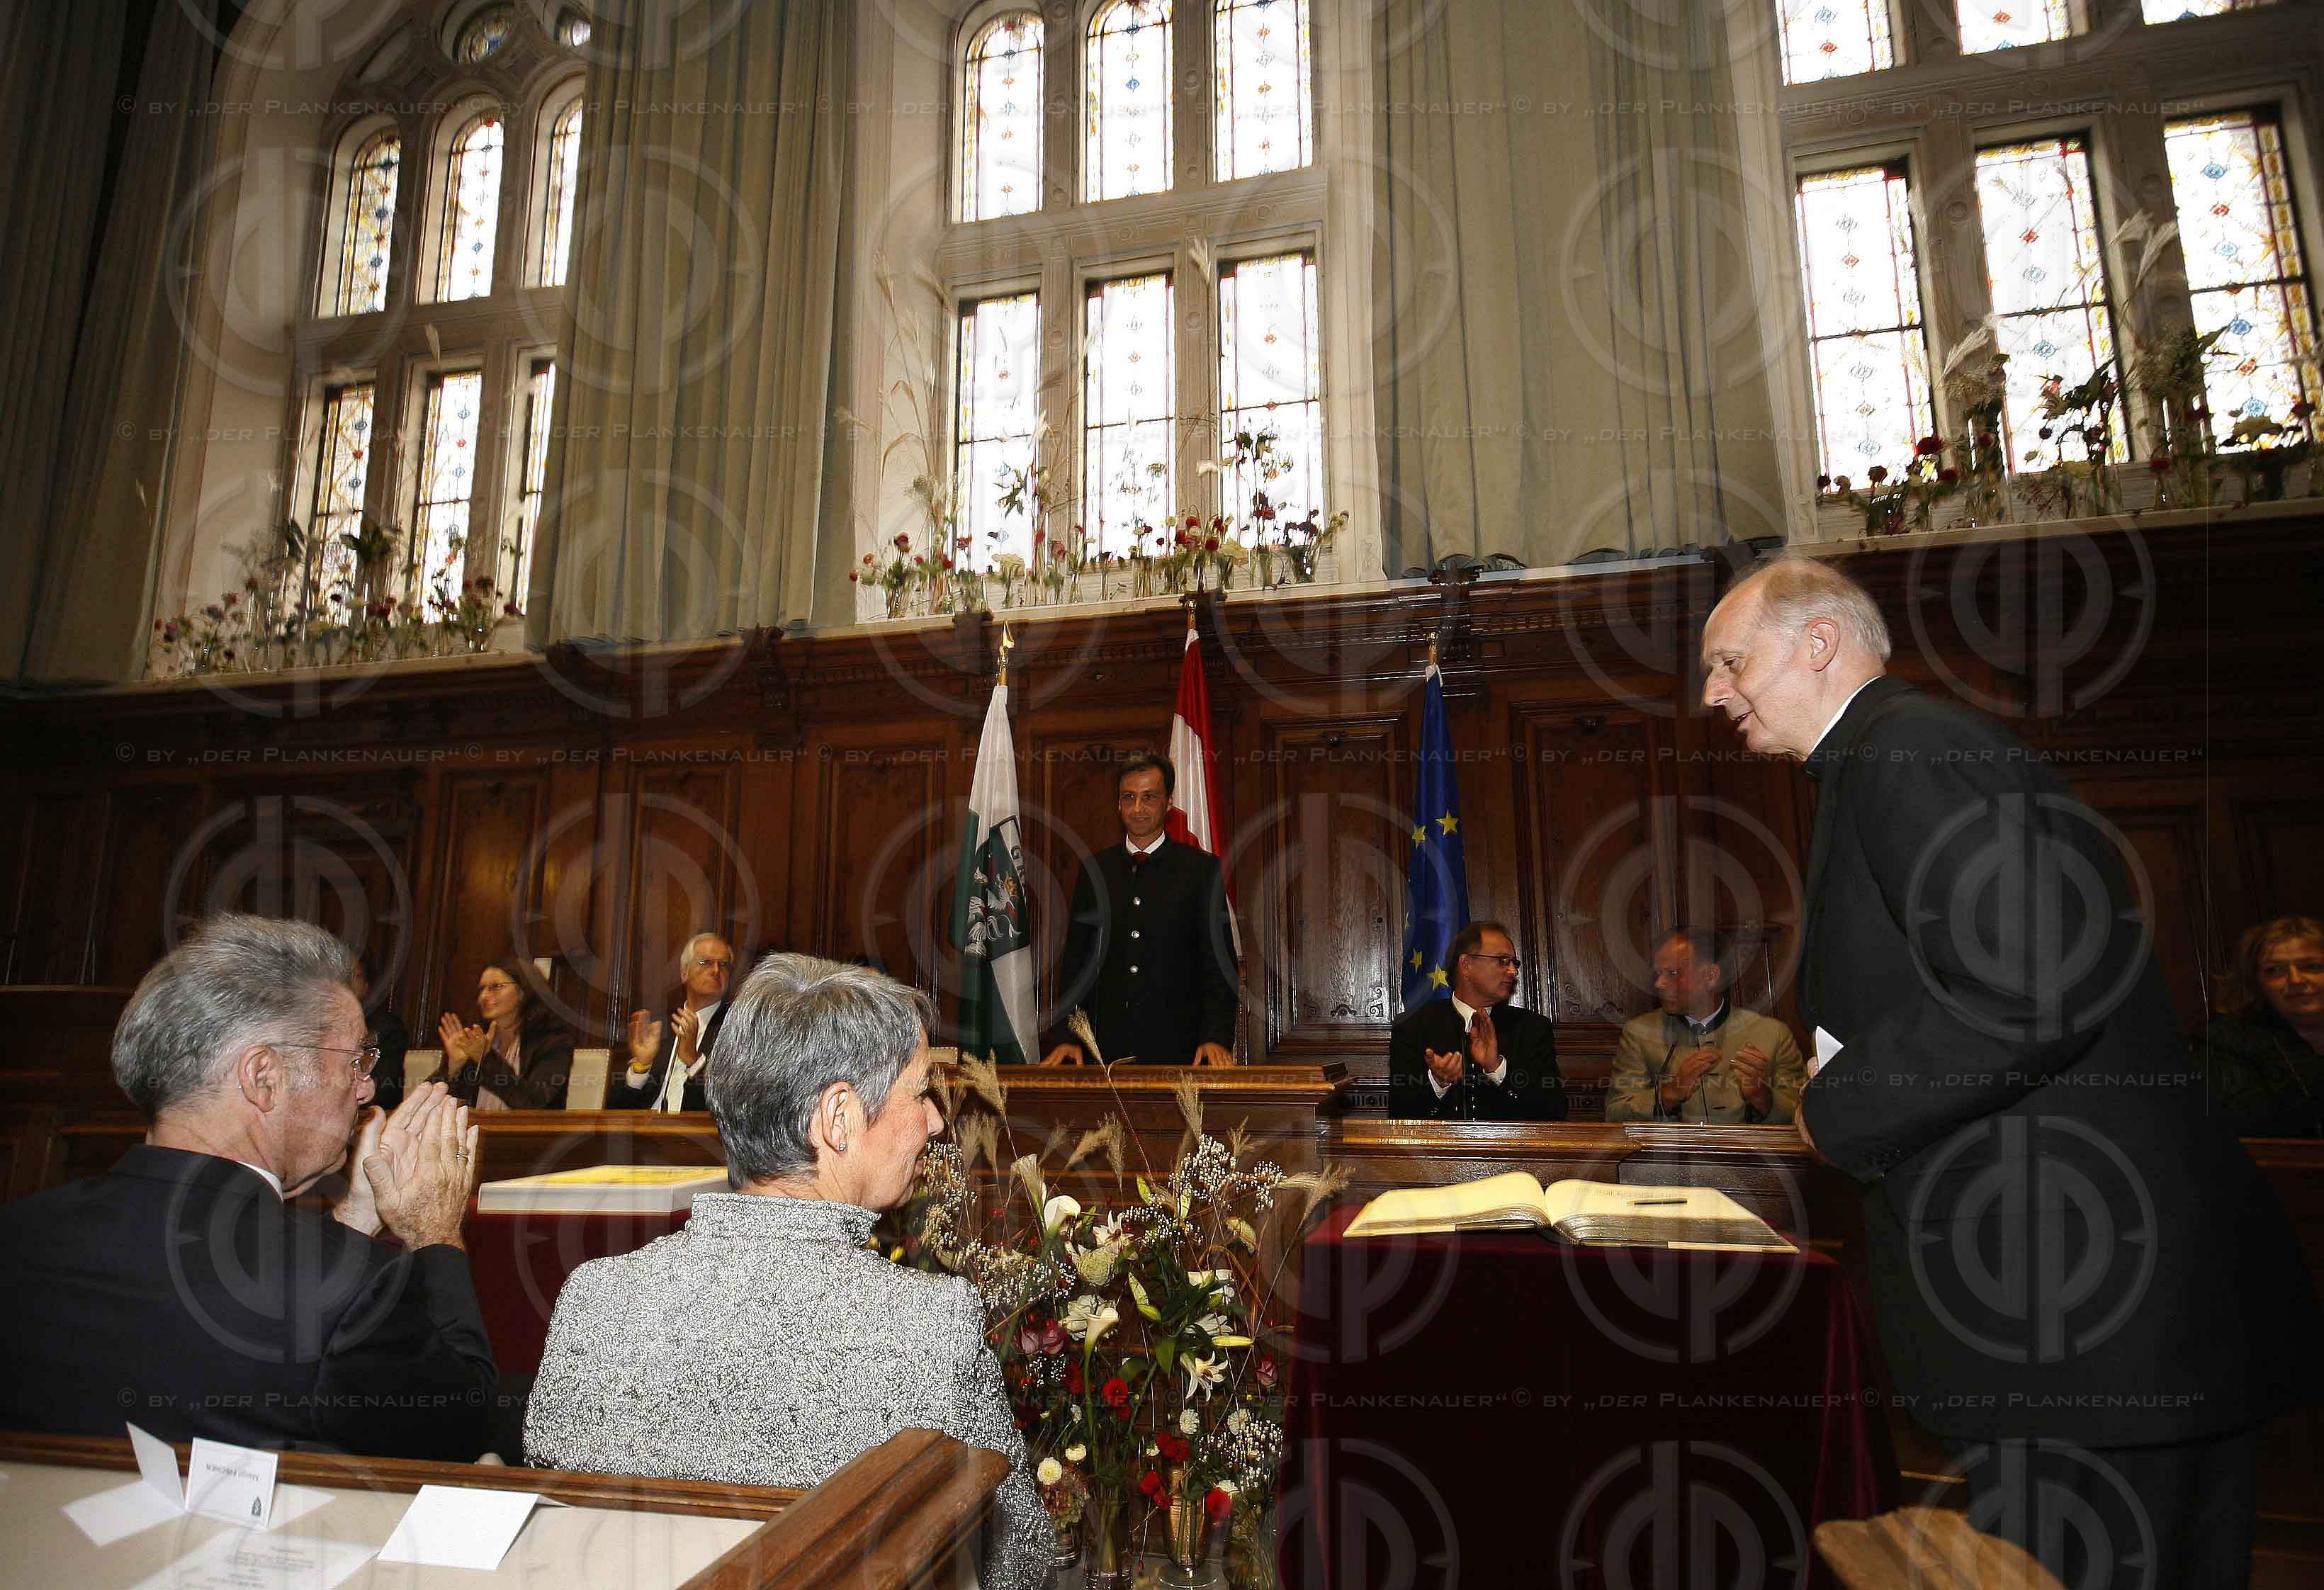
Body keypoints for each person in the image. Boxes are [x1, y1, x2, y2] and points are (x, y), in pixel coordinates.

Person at [1701, 552, 2318, 1589]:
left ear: (1817, 644)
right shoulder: (1886, 761)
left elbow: (2033, 982)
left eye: (1728, 660)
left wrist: (1832, 1111)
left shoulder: (1909, 754)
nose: (1713, 692)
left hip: (2085, 1318)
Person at [524, 954, 1047, 1590]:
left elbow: (555, 1541)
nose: (936, 1120)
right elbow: (1017, 1559)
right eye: (919, 1092)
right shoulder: (930, 1326)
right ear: (838, 1118)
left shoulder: (595, 1299)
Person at [0, 914, 495, 1460]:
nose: (367, 1087)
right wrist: (435, 1232)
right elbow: (461, 1430)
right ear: (263, 1077)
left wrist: (355, 1220)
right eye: (356, 1060)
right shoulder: (349, 1286)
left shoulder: (21, 1234)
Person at [1041, 750, 1239, 1067]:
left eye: (1149, 797)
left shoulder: (1201, 871)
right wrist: (1068, 1037)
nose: (1137, 808)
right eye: (1128, 797)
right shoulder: (1096, 871)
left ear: (1169, 802)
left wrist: (1215, 1035)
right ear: (1118, 803)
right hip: (1104, 1052)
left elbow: (1219, 967)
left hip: (1180, 1051)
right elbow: (1076, 966)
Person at [1604, 928, 1805, 1124]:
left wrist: (1761, 1095)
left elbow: (1804, 1116)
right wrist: (1671, 1092)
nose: (1660, 984)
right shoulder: (1640, 1034)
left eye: (1673, 973)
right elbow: (1615, 1114)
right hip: (1671, 1157)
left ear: (1710, 976)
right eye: (1658, 974)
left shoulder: (1774, 1034)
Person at [1387, 920, 1565, 1121]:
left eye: (1515, 963)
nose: (1514, 971)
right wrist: (1438, 1082)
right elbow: (1399, 1115)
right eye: (1502, 960)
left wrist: (1498, 1069)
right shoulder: (1413, 1027)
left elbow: (1555, 1111)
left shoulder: (1532, 1028)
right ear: (1466, 965)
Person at [2192, 915, 2324, 1136]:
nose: (2295, 980)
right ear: (2256, 982)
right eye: (2275, 971)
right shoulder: (2226, 1045)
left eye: (2311, 967)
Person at [609, 932, 735, 1112]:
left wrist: (694, 1061)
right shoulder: (659, 1028)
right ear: (684, 973)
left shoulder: (737, 1029)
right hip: (646, 1133)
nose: (716, 971)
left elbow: (729, 1107)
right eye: (706, 962)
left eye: (723, 965)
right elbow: (617, 1109)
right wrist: (642, 1066)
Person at [429, 957, 574, 1110]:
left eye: (496, 987)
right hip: (473, 1131)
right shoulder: (474, 1040)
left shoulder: (553, 1041)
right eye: (482, 989)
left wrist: (486, 1059)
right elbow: (427, 1106)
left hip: (530, 1132)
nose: (484, 997)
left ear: (523, 991)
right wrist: (452, 1067)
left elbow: (533, 1103)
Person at [351, 956, 408, 1112]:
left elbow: (385, 1086)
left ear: (366, 986)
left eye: (354, 976)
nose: (346, 983)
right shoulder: (315, 1024)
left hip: (370, 1114)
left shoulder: (387, 1028)